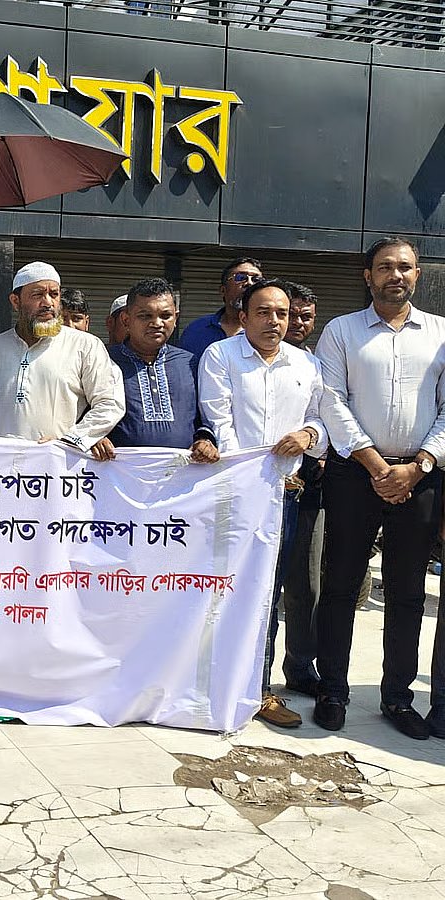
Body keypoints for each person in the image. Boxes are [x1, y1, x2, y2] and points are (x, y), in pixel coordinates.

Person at [314, 238, 445, 740]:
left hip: (420, 476)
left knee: (408, 592)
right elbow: (331, 400)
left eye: (406, 267)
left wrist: (420, 464)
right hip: (354, 475)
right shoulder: (341, 331)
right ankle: (333, 691)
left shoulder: (439, 333)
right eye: (385, 267)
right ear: (366, 275)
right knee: (341, 585)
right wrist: (373, 463)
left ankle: (397, 696)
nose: (396, 275)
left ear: (418, 275)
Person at [199, 278, 327, 729]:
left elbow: (320, 422)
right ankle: (211, 681)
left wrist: (309, 437)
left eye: (282, 313)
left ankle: (259, 688)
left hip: (286, 499)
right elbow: (221, 424)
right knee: (219, 589)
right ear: (243, 314)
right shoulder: (221, 357)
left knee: (267, 594)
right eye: (264, 312)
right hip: (234, 495)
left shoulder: (306, 365)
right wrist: (253, 479)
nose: (274, 321)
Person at [0, 262, 123, 453]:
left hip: (59, 465)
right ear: (16, 301)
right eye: (38, 295)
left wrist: (72, 440)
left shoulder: (85, 345)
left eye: (54, 295)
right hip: (2, 467)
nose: (48, 303)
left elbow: (110, 402)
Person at [104, 278, 218, 460]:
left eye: (165, 316)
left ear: (176, 318)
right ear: (126, 320)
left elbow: (207, 416)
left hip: (182, 476)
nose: (157, 323)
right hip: (118, 475)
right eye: (145, 316)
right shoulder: (103, 361)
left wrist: (205, 439)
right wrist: (96, 437)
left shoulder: (190, 363)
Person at [278, 282, 325, 698]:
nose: (296, 323)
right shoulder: (240, 357)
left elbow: (326, 420)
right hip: (258, 489)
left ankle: (298, 666)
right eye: (290, 313)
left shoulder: (316, 365)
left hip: (309, 492)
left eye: (305, 316)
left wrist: (313, 435)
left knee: (304, 586)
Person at [178, 256, 264, 361]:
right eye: (241, 278)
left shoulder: (267, 330)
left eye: (256, 279)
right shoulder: (197, 330)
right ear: (223, 290)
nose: (249, 283)